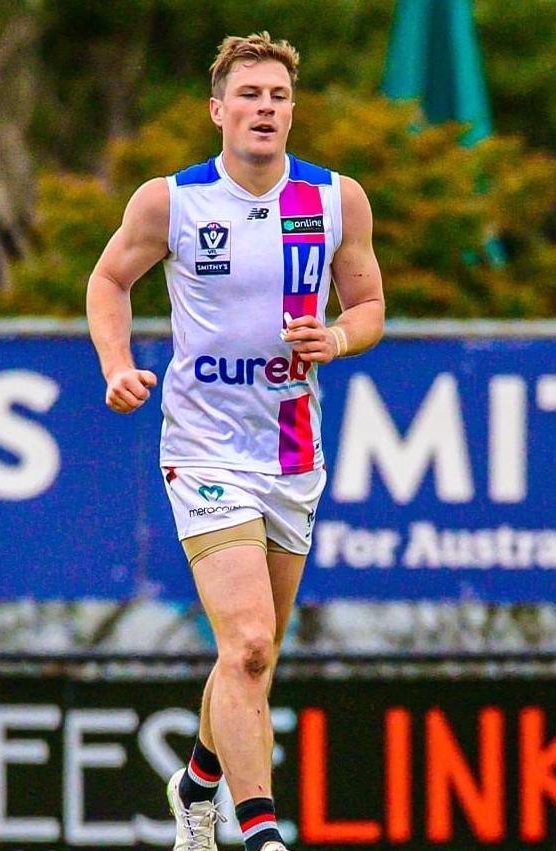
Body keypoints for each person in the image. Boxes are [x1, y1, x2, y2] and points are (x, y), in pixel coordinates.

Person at [87, 31, 384, 851]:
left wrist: (339, 338)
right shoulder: (172, 201)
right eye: (249, 95)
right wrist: (117, 363)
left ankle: (197, 781)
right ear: (218, 111)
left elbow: (366, 306)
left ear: (292, 111)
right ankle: (259, 834)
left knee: (253, 656)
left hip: (292, 453)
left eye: (278, 96)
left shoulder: (335, 199)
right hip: (205, 447)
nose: (265, 108)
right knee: (248, 641)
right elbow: (109, 278)